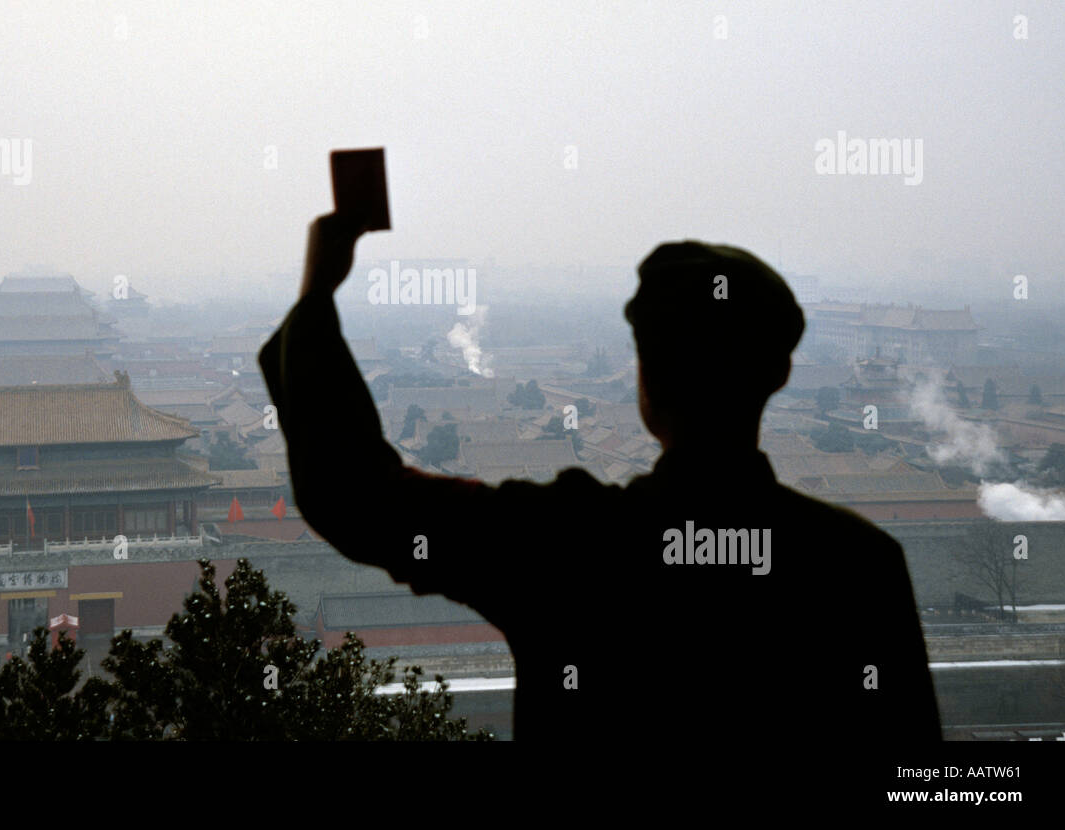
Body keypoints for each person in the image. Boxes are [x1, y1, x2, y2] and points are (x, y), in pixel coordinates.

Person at [259, 214, 941, 743]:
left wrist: (316, 296)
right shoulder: (859, 564)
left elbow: (359, 496)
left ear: (643, 378)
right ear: (781, 374)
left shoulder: (569, 542)